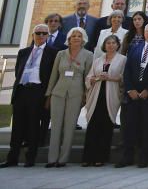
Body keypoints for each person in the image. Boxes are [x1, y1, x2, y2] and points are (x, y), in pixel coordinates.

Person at [2, 24, 57, 168]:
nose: (40, 36)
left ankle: (30, 158)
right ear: (33, 35)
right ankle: (12, 158)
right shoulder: (24, 52)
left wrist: (48, 96)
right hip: (21, 90)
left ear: (47, 36)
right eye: (38, 33)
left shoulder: (53, 53)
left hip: (37, 92)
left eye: (44, 34)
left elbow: (52, 75)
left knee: (33, 126)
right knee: (17, 126)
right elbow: (18, 71)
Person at [117, 22, 148, 168]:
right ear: (144, 33)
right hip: (132, 94)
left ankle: (144, 157)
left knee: (146, 127)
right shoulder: (134, 48)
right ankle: (127, 157)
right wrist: (130, 89)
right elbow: (128, 70)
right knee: (129, 126)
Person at [45, 26, 93, 167]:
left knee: (70, 126)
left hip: (76, 94)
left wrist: (85, 95)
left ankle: (63, 159)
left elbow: (88, 77)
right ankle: (52, 158)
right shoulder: (61, 54)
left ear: (83, 38)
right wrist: (48, 94)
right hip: (58, 93)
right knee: (56, 126)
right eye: (73, 36)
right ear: (69, 39)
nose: (76, 38)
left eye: (79, 36)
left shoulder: (88, 55)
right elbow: (54, 75)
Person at [83, 34, 125, 167]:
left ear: (118, 45)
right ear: (104, 45)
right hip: (96, 95)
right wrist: (97, 78)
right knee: (93, 126)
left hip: (111, 95)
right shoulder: (98, 60)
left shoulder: (122, 59)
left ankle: (101, 157)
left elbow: (123, 78)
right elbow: (89, 77)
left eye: (113, 43)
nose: (111, 45)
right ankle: (88, 157)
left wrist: (110, 78)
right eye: (108, 43)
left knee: (106, 126)